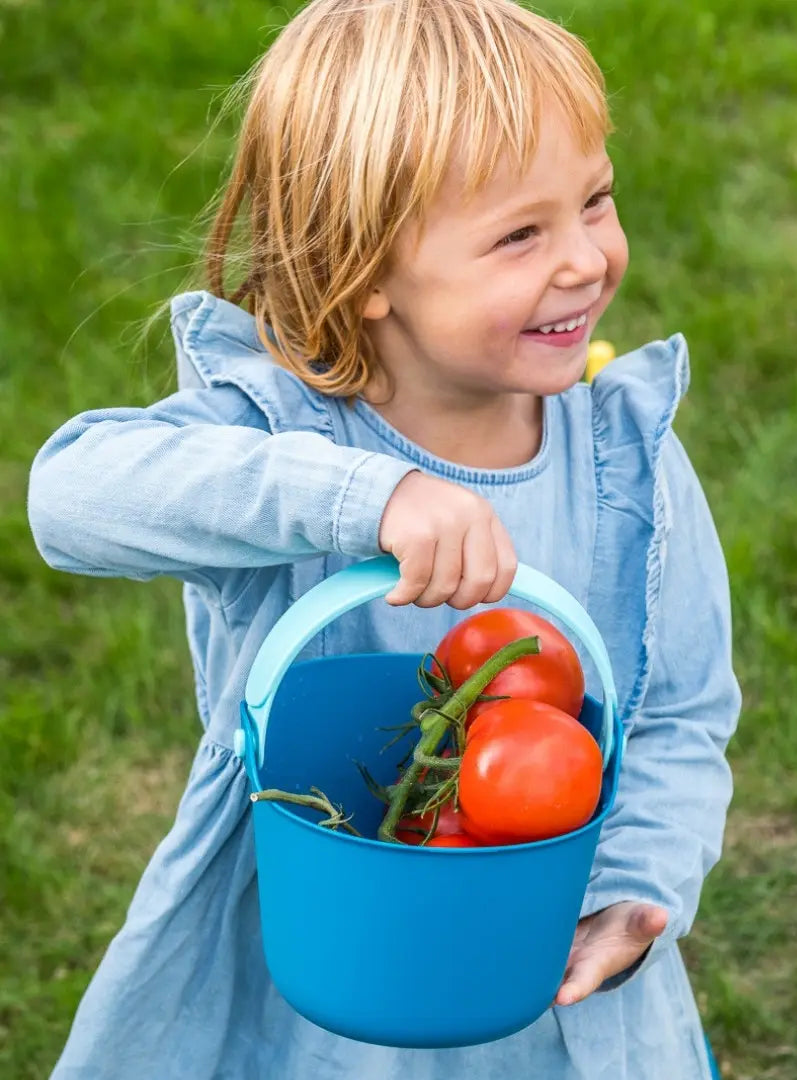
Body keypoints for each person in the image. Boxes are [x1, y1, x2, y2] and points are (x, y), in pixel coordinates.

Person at [27, 1, 740, 1076]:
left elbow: (683, 709)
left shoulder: (625, 461)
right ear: (362, 271)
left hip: (546, 979)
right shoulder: (281, 434)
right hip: (315, 984)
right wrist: (368, 495)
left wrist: (637, 887)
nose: (586, 261)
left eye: (594, 200)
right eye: (520, 235)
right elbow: (69, 496)